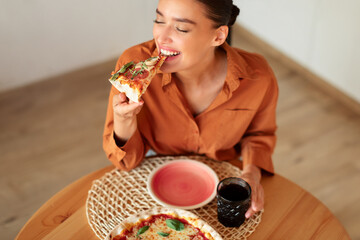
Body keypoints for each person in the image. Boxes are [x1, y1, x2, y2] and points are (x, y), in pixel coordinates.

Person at [103, 0, 278, 220]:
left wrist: (251, 171)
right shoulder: (133, 67)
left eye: (181, 28)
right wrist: (123, 121)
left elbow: (259, 135)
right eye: (159, 20)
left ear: (218, 36)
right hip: (152, 174)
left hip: (223, 175)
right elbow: (125, 163)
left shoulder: (257, 77)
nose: (162, 38)